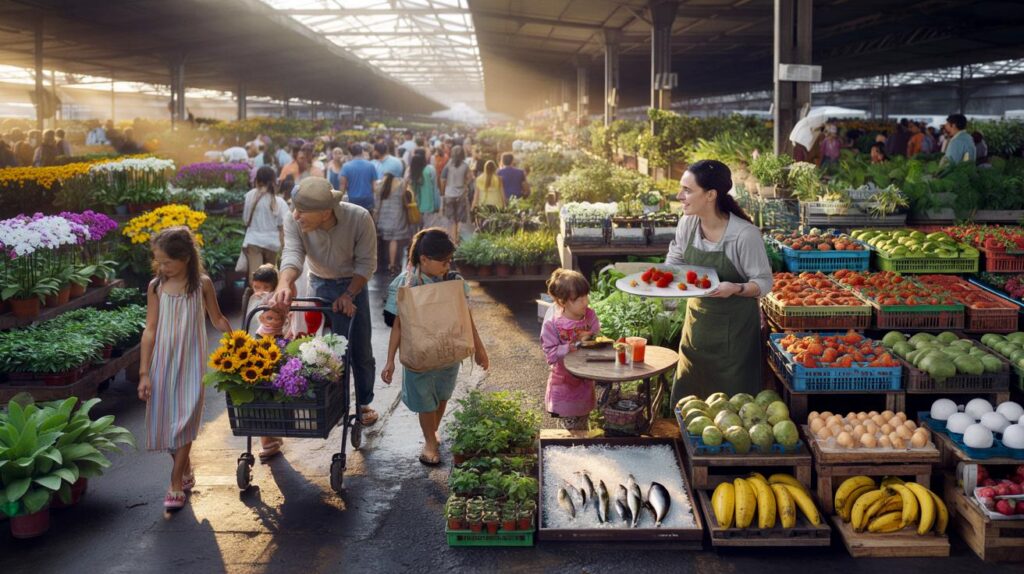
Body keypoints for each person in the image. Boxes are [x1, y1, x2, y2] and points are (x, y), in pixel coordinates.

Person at [272, 177, 380, 427]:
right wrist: (284, 283)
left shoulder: (359, 218)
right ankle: (330, 402)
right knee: (320, 350)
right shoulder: (294, 219)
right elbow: (293, 253)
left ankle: (364, 402)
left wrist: (349, 294)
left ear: (325, 212)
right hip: (319, 282)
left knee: (360, 349)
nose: (296, 216)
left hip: (353, 284)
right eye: (295, 209)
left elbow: (367, 263)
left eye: (303, 211)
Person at [138, 226, 232, 510]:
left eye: (167, 261)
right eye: (158, 261)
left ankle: (175, 482)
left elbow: (216, 319)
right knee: (167, 422)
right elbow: (150, 330)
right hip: (163, 363)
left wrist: (237, 344)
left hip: (192, 362)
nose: (162, 267)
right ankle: (185, 467)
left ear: (186, 258)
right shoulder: (156, 287)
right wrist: (143, 372)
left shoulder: (201, 284)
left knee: (186, 418)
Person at [665, 160, 773, 403]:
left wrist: (736, 287)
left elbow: (764, 283)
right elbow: (676, 258)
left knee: (734, 409)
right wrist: (665, 288)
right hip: (697, 328)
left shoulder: (744, 235)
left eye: (688, 190)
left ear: (711, 195)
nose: (679, 196)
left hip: (735, 338)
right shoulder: (688, 223)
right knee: (691, 403)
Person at [380, 228, 488, 465]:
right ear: (424, 259)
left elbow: (466, 317)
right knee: (424, 401)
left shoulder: (454, 282)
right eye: (443, 261)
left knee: (441, 396)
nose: (447, 266)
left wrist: (479, 349)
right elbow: (397, 325)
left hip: (448, 354)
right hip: (419, 355)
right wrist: (390, 361)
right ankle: (429, 441)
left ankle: (432, 433)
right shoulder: (405, 284)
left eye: (450, 260)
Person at [541, 269, 601, 431]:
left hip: (585, 381)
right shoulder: (553, 324)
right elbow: (551, 354)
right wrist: (573, 345)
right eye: (579, 299)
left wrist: (593, 340)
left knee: (582, 423)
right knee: (569, 431)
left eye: (586, 295)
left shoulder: (589, 316)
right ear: (562, 302)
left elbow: (596, 336)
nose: (585, 302)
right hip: (564, 384)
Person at [242, 166, 289, 282]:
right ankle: (270, 299)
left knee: (255, 277)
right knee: (270, 279)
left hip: (253, 241)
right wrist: (284, 248)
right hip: (272, 243)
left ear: (256, 180)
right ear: (274, 181)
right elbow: (283, 227)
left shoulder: (250, 196)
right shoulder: (279, 202)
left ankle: (256, 298)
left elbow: (245, 219)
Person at [375, 172, 415, 276]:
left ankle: (385, 264)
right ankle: (392, 264)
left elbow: (377, 205)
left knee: (386, 242)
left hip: (384, 218)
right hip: (397, 217)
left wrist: (376, 219)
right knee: (394, 241)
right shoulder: (400, 185)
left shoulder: (381, 187)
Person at [441, 145, 471, 243]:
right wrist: (465, 184)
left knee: (452, 219)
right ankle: (457, 237)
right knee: (459, 218)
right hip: (461, 194)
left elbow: (442, 179)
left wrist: (443, 192)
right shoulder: (465, 166)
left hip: (449, 194)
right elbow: (470, 178)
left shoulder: (448, 165)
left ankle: (453, 239)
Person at [340, 143, 378, 212]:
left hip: (353, 200)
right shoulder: (371, 165)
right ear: (362, 152)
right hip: (368, 199)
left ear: (351, 153)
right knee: (368, 220)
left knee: (354, 220)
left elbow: (343, 185)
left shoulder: (346, 166)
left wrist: (339, 200)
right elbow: (374, 186)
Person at [408, 149, 441, 227]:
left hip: (416, 205)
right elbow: (435, 188)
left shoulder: (413, 173)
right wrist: (437, 204)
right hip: (429, 205)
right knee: (428, 227)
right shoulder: (429, 170)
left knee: (418, 227)